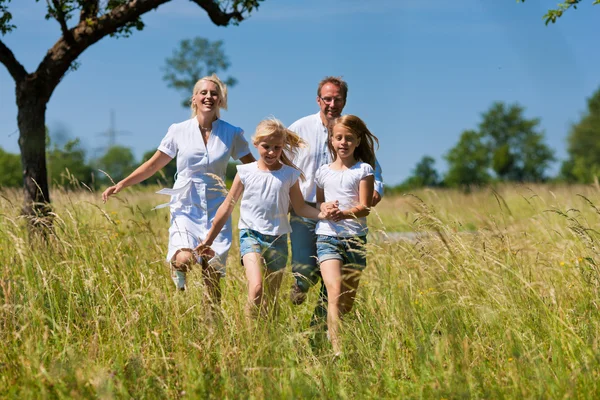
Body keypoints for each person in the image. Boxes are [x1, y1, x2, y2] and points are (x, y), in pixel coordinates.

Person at [102, 74, 255, 301]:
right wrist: (122, 184)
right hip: (186, 204)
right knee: (184, 258)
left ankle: (212, 326)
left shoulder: (232, 133)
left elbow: (253, 167)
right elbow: (154, 164)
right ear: (194, 99)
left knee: (212, 274)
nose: (209, 97)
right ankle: (177, 271)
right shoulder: (178, 130)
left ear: (221, 100)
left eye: (214, 93)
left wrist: (282, 181)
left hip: (218, 206)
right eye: (203, 93)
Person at [194, 119, 334, 317]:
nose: (271, 152)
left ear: (282, 147)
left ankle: (268, 339)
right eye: (266, 146)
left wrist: (323, 215)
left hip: (278, 239)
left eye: (276, 148)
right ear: (256, 144)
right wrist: (208, 240)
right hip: (251, 235)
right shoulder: (245, 172)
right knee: (256, 288)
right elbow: (226, 207)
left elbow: (301, 208)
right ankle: (249, 342)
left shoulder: (289, 175)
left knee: (271, 298)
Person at [287, 76, 384, 308]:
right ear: (318, 100)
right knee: (305, 271)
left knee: (335, 283)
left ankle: (321, 330)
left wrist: (376, 190)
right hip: (306, 209)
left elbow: (373, 169)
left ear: (345, 101)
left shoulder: (351, 131)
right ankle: (300, 285)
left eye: (337, 99)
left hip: (345, 217)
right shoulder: (299, 129)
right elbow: (280, 161)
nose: (332, 104)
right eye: (327, 99)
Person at [315, 114, 378, 354]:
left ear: (358, 141)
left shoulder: (364, 170)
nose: (343, 143)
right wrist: (325, 209)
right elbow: (320, 204)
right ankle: (337, 350)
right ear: (331, 140)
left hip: (354, 239)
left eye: (349, 138)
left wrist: (345, 213)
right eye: (339, 138)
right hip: (327, 238)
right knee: (334, 291)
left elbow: (366, 207)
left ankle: (333, 331)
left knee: (347, 301)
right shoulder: (322, 172)